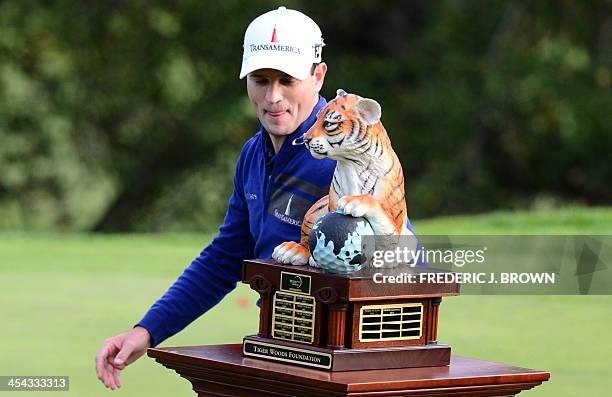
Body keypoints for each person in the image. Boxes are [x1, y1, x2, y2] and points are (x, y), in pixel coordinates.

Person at [95, 6, 336, 390]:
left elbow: (403, 256)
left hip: (342, 363)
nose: (273, 96)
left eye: (287, 80)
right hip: (280, 350)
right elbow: (226, 257)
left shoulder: (348, 158)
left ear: (317, 76)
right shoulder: (253, 155)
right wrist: (146, 331)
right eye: (260, 80)